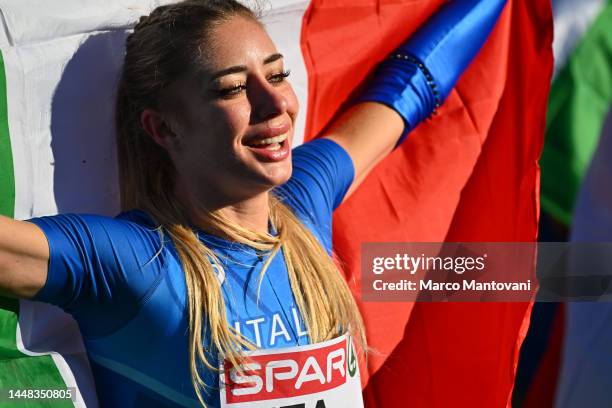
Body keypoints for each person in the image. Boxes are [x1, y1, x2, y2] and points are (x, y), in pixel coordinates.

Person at [0, 0, 506, 406]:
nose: (276, 104)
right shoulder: (132, 263)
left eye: (278, 75)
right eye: (234, 89)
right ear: (163, 127)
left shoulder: (305, 203)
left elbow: (411, 88)